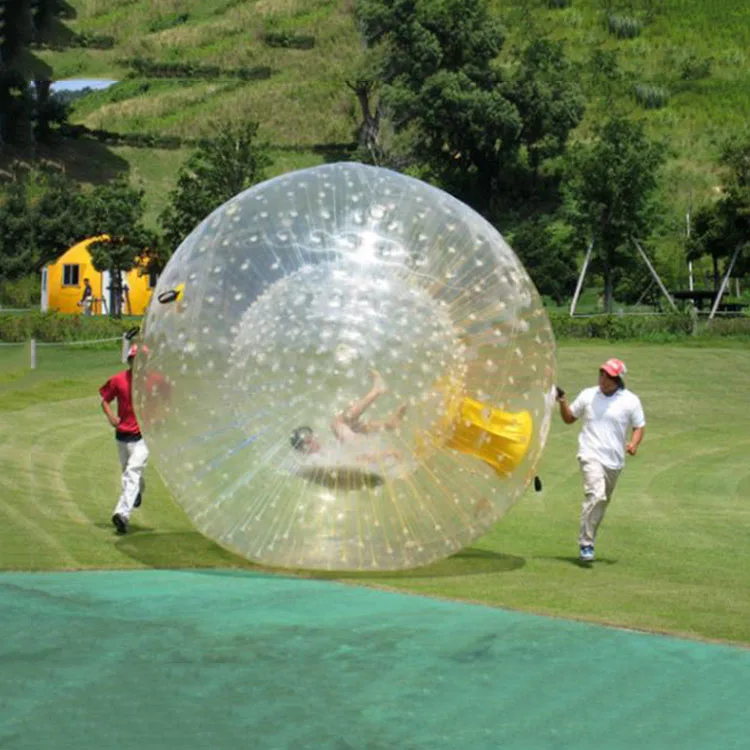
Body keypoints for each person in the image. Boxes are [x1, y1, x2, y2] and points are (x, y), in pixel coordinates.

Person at [556, 357, 645, 562]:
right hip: (590, 454)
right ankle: (586, 543)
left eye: (609, 376)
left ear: (618, 380)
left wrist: (634, 444)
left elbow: (639, 426)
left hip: (614, 461)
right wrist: (562, 402)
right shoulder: (588, 395)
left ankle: (589, 540)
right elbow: (570, 418)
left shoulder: (630, 400)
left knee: (601, 503)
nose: (603, 379)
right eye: (602, 373)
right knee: (596, 495)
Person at [290, 370, 407, 464]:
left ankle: (388, 425)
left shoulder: (323, 452)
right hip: (357, 448)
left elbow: (355, 459)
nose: (313, 441)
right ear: (302, 450)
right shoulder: (314, 460)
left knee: (353, 426)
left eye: (311, 438)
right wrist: (387, 454)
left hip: (357, 448)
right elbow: (355, 461)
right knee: (336, 423)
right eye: (308, 442)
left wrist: (387, 454)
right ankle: (376, 391)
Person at [99, 344, 148, 534]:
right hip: (122, 434)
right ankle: (136, 492)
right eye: (133, 360)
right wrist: (111, 416)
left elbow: (165, 397)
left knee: (132, 471)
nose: (136, 364)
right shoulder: (118, 380)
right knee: (129, 472)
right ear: (129, 361)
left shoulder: (152, 380)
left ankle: (122, 514)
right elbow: (104, 398)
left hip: (144, 437)